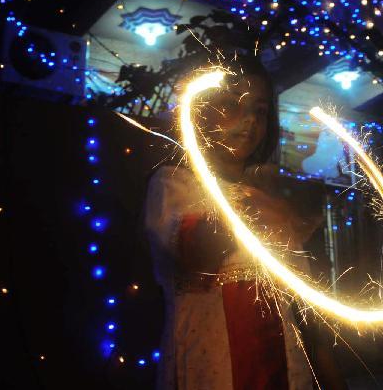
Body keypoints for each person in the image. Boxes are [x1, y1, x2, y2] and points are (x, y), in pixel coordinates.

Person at [144, 56, 346, 389]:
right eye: (230, 105)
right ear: (201, 109)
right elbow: (196, 253)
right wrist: (249, 206)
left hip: (284, 369)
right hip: (212, 366)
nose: (249, 120)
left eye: (260, 110)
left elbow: (303, 304)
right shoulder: (175, 185)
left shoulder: (269, 201)